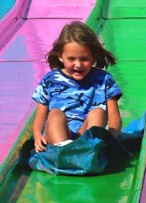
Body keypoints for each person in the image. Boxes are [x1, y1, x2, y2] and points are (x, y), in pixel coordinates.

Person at [32, 21, 122, 153]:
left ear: (94, 57)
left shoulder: (104, 80)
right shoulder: (50, 80)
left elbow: (114, 117)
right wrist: (37, 135)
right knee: (55, 113)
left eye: (84, 59)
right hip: (58, 136)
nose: (78, 65)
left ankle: (89, 148)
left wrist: (112, 137)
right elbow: (40, 116)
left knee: (98, 112)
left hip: (85, 134)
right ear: (61, 57)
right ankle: (63, 150)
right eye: (71, 59)